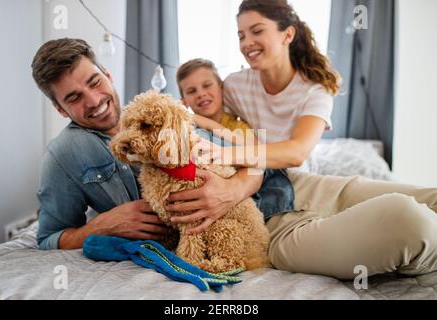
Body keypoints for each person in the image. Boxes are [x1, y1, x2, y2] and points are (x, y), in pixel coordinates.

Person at [173, 0, 437, 280]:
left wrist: (227, 155)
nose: (247, 42)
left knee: (430, 199)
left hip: (302, 183)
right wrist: (181, 113)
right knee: (409, 220)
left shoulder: (315, 89)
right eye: (241, 35)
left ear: (288, 34)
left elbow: (297, 151)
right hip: (269, 211)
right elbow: (205, 105)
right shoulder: (236, 85)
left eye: (256, 31)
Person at [32, 38, 263, 250]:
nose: (94, 101)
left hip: (254, 208)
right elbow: (49, 237)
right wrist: (102, 225)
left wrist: (230, 192)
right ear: (61, 109)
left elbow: (255, 162)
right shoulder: (63, 154)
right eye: (74, 98)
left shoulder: (159, 114)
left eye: (95, 82)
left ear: (108, 75)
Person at [176, 58, 295, 220]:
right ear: (184, 101)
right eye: (191, 91)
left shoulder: (238, 125)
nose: (201, 93)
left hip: (250, 196)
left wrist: (201, 120)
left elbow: (255, 154)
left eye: (207, 85)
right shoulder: (189, 130)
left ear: (221, 87)